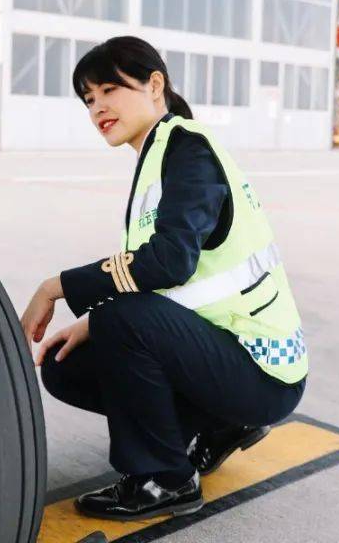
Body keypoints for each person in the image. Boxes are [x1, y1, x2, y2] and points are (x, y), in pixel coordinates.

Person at [20, 36, 308, 522]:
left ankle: (165, 480)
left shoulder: (188, 150)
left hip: (262, 370)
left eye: (110, 89)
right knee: (67, 366)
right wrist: (91, 323)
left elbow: (168, 262)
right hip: (225, 352)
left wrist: (57, 287)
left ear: (155, 85)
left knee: (120, 321)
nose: (98, 108)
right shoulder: (159, 153)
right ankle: (219, 425)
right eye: (89, 99)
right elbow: (170, 277)